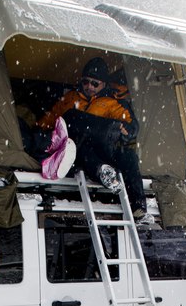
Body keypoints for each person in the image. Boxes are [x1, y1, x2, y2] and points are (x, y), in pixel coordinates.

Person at [38, 57, 155, 226]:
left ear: (104, 84)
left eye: (95, 83)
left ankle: (139, 209)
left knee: (129, 157)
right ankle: (102, 172)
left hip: (104, 148)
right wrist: (40, 131)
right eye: (86, 82)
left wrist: (127, 131)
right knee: (81, 146)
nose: (89, 87)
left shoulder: (110, 102)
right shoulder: (71, 99)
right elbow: (50, 119)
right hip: (77, 148)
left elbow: (129, 123)